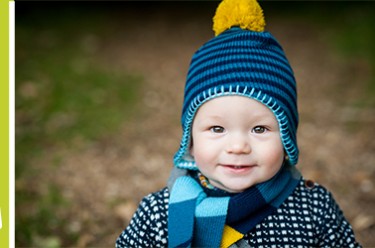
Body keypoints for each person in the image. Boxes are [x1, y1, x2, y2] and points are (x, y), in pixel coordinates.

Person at [116, 0, 361, 247]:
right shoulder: (159, 214)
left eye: (259, 129)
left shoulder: (313, 209)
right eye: (217, 129)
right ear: (190, 141)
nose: (238, 146)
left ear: (287, 138)